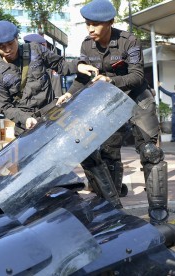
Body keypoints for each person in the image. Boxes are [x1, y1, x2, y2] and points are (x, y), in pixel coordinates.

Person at [57, 0, 169, 225]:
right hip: (108, 102)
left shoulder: (130, 41)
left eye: (95, 24)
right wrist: (69, 94)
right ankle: (112, 206)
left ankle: (158, 208)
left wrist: (110, 80)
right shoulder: (87, 45)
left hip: (137, 97)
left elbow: (137, 76)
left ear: (110, 22)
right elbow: (83, 77)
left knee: (150, 152)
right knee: (107, 154)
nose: (90, 29)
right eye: (88, 24)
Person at [0, 20, 98, 136]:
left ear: (17, 38)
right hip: (26, 126)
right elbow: (5, 107)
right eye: (1, 46)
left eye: (10, 43)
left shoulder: (35, 50)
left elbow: (60, 64)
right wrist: (25, 119)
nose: (8, 49)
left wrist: (78, 65)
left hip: (53, 114)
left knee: (84, 137)